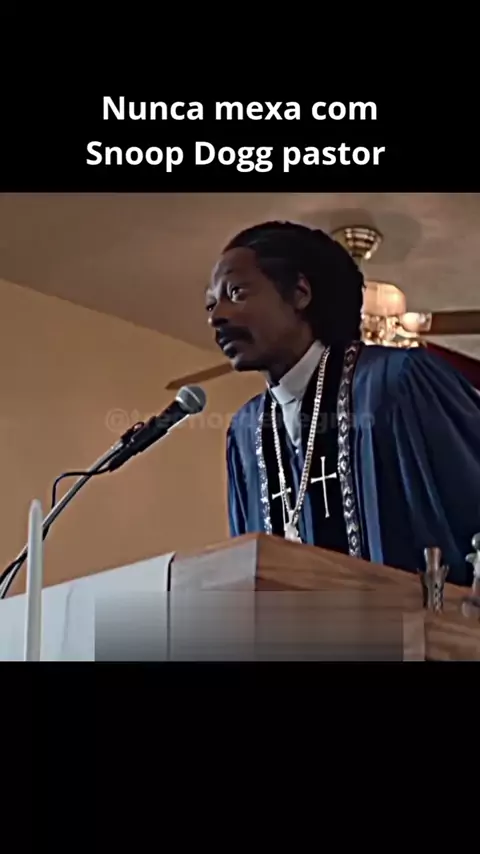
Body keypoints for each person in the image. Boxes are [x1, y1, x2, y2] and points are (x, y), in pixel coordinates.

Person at [205, 220, 480, 586]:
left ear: (300, 293)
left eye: (236, 293)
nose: (216, 317)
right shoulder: (245, 431)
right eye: (211, 304)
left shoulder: (397, 383)